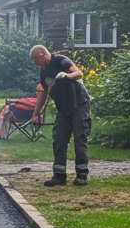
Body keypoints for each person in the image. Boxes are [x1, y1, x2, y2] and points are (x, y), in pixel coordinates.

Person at [30, 44, 91, 186]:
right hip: (63, 109)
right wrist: (36, 113)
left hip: (79, 105)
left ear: (42, 54)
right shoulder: (43, 72)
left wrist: (66, 76)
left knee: (79, 138)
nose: (36, 64)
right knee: (59, 139)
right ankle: (59, 176)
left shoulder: (61, 61)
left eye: (36, 60)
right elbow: (44, 93)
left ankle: (82, 175)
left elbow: (79, 73)